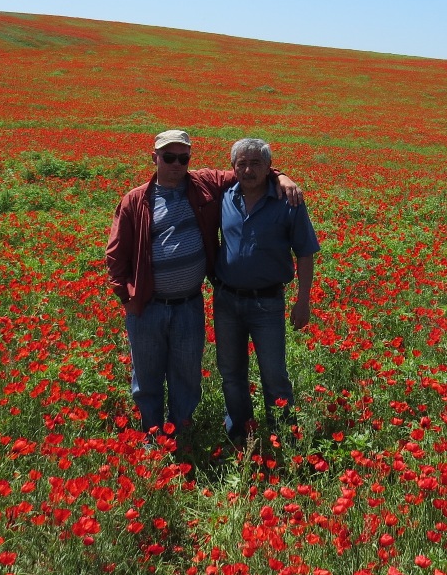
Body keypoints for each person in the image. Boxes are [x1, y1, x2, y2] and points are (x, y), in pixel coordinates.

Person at [105, 129, 299, 448]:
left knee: (187, 375)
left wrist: (281, 176)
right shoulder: (136, 199)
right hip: (148, 305)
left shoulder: (202, 184)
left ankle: (179, 433)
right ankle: (152, 436)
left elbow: (246, 169)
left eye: (183, 158)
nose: (176, 163)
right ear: (154, 158)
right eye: (168, 157)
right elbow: (115, 255)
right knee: (147, 376)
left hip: (189, 304)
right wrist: (127, 298)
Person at [213, 137, 320, 447]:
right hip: (226, 300)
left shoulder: (289, 202)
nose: (248, 169)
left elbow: (304, 252)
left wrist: (303, 300)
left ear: (269, 167)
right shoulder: (223, 195)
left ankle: (283, 439)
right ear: (232, 167)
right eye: (242, 163)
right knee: (231, 374)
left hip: (267, 303)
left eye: (256, 163)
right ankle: (239, 435)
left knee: (274, 375)